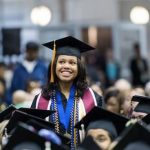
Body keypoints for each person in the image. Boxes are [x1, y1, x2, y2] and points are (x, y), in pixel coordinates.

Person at [31, 36, 104, 149]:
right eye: (61, 62)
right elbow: (33, 134)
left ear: (79, 67)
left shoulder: (93, 99)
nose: (66, 66)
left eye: (72, 63)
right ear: (54, 66)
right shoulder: (41, 100)